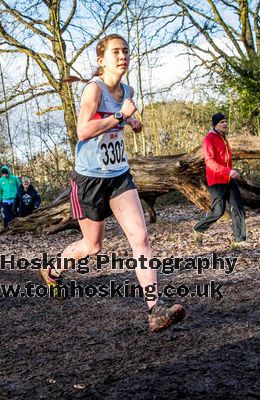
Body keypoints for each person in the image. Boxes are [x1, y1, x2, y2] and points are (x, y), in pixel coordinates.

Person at [38, 34, 185, 333]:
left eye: (126, 51)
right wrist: (120, 115)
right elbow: (83, 131)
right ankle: (52, 271)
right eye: (116, 52)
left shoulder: (128, 89)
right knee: (92, 247)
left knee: (140, 238)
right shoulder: (94, 89)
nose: (122, 56)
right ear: (101, 59)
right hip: (90, 180)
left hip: (119, 175)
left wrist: (132, 122)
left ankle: (155, 310)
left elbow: (128, 120)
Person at [192, 113, 247, 245]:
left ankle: (240, 240)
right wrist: (228, 171)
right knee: (218, 211)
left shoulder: (224, 138)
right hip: (216, 181)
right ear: (215, 124)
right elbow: (209, 162)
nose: (225, 124)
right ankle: (198, 228)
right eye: (222, 122)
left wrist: (230, 173)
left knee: (238, 207)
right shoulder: (209, 139)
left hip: (228, 179)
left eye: (226, 121)